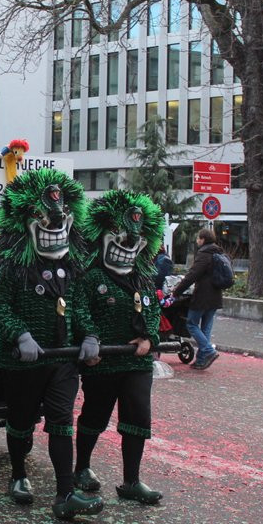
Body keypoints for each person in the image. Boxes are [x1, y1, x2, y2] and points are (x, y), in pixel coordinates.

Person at [0, 168, 104, 521]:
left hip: (62, 361)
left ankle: (65, 494)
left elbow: (80, 308)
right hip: (22, 362)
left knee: (60, 422)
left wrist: (90, 335)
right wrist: (21, 334)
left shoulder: (73, 268)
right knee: (21, 422)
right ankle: (19, 474)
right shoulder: (12, 266)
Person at [75, 191, 166, 506]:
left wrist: (149, 338)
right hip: (103, 361)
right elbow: (80, 310)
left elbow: (153, 310)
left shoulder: (141, 278)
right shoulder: (91, 277)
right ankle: (81, 467)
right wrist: (90, 338)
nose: (128, 244)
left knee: (138, 416)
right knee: (95, 415)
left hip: (137, 362)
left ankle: (131, 480)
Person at [170, 228, 224, 370]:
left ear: (203, 239)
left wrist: (176, 291)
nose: (197, 240)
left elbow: (192, 275)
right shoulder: (218, 252)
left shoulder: (204, 254)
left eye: (198, 238)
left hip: (202, 296)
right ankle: (201, 360)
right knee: (205, 328)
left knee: (191, 324)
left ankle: (208, 350)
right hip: (215, 296)